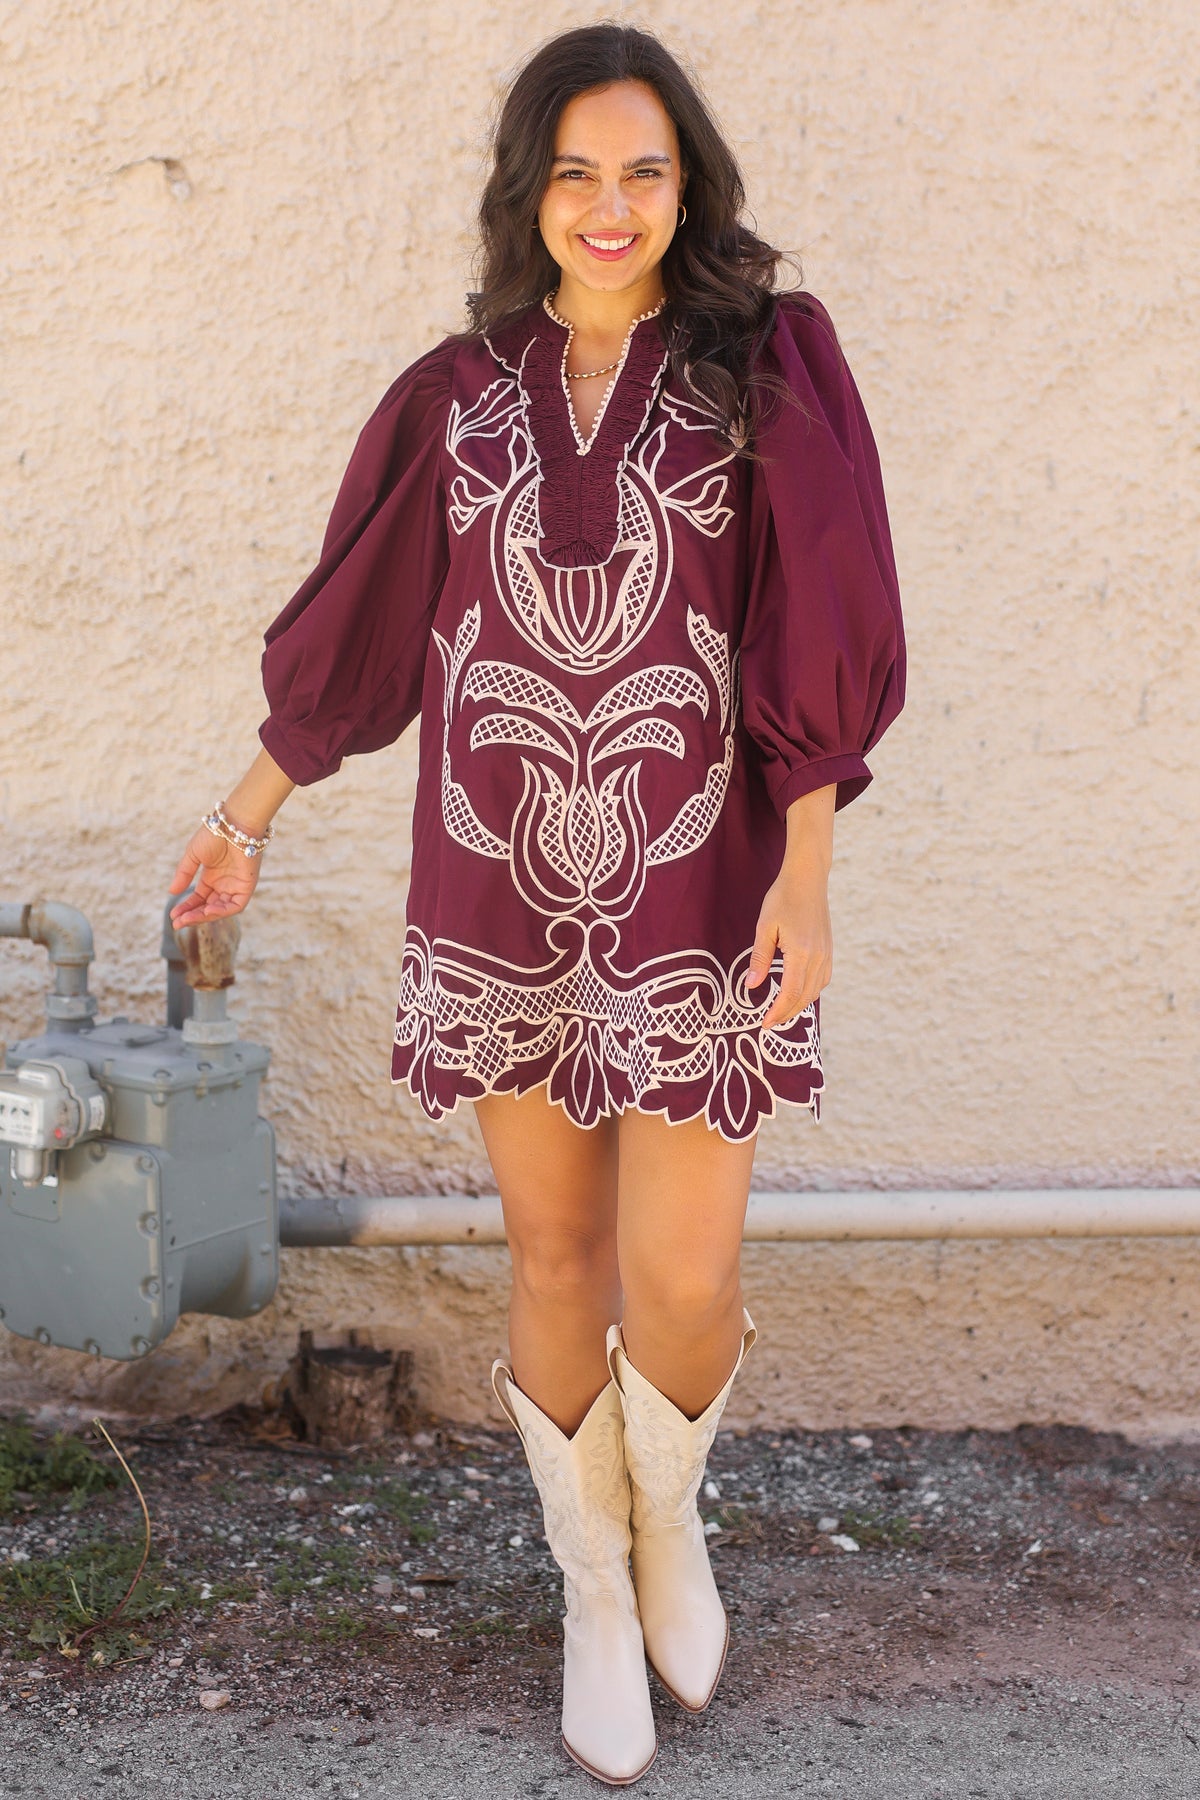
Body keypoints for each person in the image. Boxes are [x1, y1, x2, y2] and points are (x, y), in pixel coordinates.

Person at [169, 21, 905, 1786]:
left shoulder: (765, 369)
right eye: (576, 172)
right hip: (498, 882)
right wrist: (242, 818)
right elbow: (358, 637)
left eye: (643, 170)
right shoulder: (453, 396)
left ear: (687, 187)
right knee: (559, 1256)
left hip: (706, 884)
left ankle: (670, 1518)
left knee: (686, 1272)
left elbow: (821, 618)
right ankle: (591, 1588)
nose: (610, 204)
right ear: (532, 192)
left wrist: (809, 870)